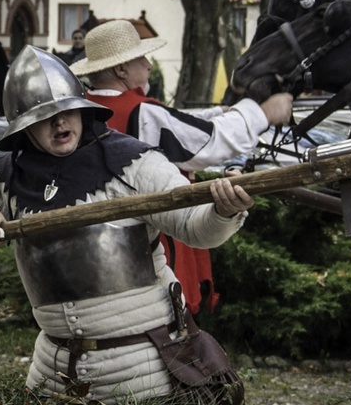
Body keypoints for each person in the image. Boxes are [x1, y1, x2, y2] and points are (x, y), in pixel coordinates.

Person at [0, 45, 251, 405]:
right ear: (23, 128)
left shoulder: (134, 162)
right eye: (44, 117)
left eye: (67, 111)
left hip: (144, 373)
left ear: (82, 109)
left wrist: (224, 211)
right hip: (53, 374)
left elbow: (195, 228)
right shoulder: (7, 174)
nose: (60, 123)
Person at [70, 19, 293, 315]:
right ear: (120, 70)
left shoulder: (82, 110)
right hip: (151, 240)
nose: (149, 65)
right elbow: (208, 143)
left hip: (97, 245)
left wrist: (221, 111)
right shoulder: (142, 111)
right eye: (141, 58)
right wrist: (261, 113)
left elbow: (173, 122)